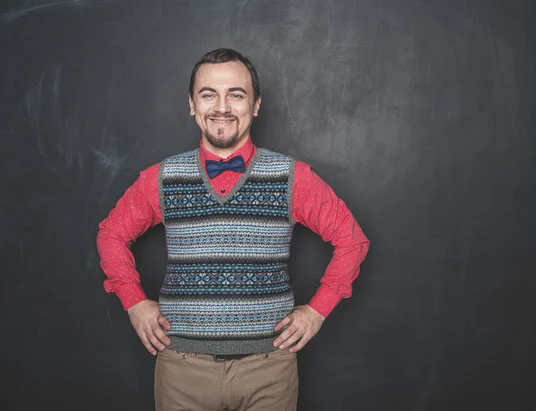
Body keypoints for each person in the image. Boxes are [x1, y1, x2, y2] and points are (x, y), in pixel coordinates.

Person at [97, 48, 369, 411]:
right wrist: (134, 302)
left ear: (255, 105)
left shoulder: (292, 177)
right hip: (182, 369)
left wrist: (317, 310)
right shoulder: (161, 178)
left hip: (270, 369)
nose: (221, 107)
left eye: (236, 95)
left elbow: (352, 240)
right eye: (208, 94)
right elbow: (111, 234)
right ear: (192, 104)